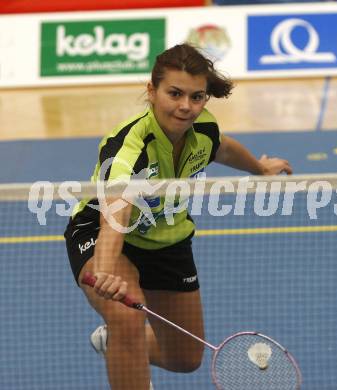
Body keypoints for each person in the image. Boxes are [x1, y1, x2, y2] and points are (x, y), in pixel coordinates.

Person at [64, 43, 292, 390]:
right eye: (175, 93)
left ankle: (117, 343)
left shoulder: (203, 128)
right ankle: (123, 336)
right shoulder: (128, 147)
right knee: (126, 313)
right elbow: (118, 211)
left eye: (196, 96)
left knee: (185, 358)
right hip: (103, 233)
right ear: (152, 91)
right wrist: (106, 269)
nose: (186, 106)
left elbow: (223, 147)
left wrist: (260, 168)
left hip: (166, 239)